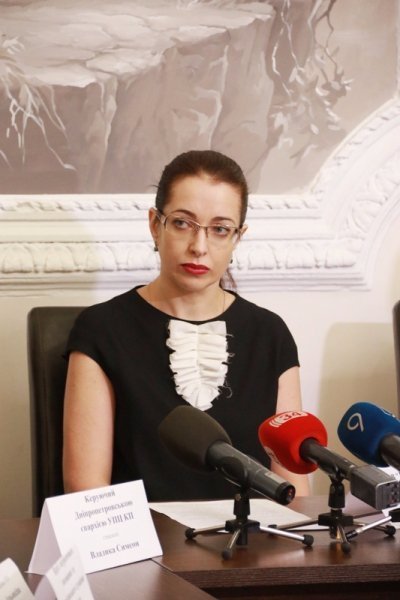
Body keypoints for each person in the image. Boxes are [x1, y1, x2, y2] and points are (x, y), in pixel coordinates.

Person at [63, 149, 310, 501]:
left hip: (252, 533)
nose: (199, 247)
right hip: (143, 534)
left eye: (220, 230)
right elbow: (87, 490)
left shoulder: (270, 334)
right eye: (182, 223)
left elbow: (294, 490)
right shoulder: (101, 330)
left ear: (237, 238)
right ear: (155, 225)